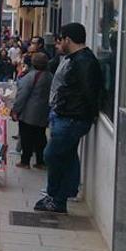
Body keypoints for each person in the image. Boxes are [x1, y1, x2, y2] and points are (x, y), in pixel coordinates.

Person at [35, 23, 103, 214]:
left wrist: (88, 113)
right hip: (66, 115)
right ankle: (64, 194)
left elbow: (89, 91)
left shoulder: (84, 61)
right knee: (69, 155)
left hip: (72, 118)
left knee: (52, 154)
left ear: (68, 40)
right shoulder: (74, 58)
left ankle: (56, 197)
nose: (58, 43)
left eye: (61, 40)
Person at [12, 53, 53, 168]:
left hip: (29, 112)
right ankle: (41, 161)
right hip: (43, 111)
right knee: (40, 137)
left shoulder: (31, 76)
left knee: (26, 137)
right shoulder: (50, 76)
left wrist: (15, 110)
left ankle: (25, 161)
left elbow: (22, 95)